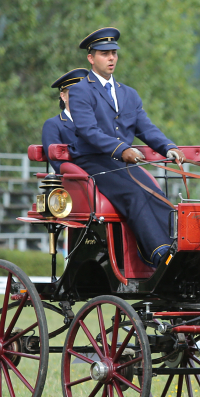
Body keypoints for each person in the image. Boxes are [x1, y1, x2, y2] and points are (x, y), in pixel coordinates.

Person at [67, 27, 186, 268]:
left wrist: (168, 147)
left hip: (123, 163)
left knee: (157, 195)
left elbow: (146, 128)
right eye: (104, 54)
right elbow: (88, 131)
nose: (111, 58)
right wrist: (121, 149)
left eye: (114, 53)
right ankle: (159, 254)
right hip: (94, 161)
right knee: (134, 194)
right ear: (91, 58)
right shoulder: (80, 91)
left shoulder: (129, 94)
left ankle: (177, 251)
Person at [41, 68, 90, 173]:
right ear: (63, 96)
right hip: (77, 181)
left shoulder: (97, 122)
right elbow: (59, 165)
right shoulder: (53, 125)